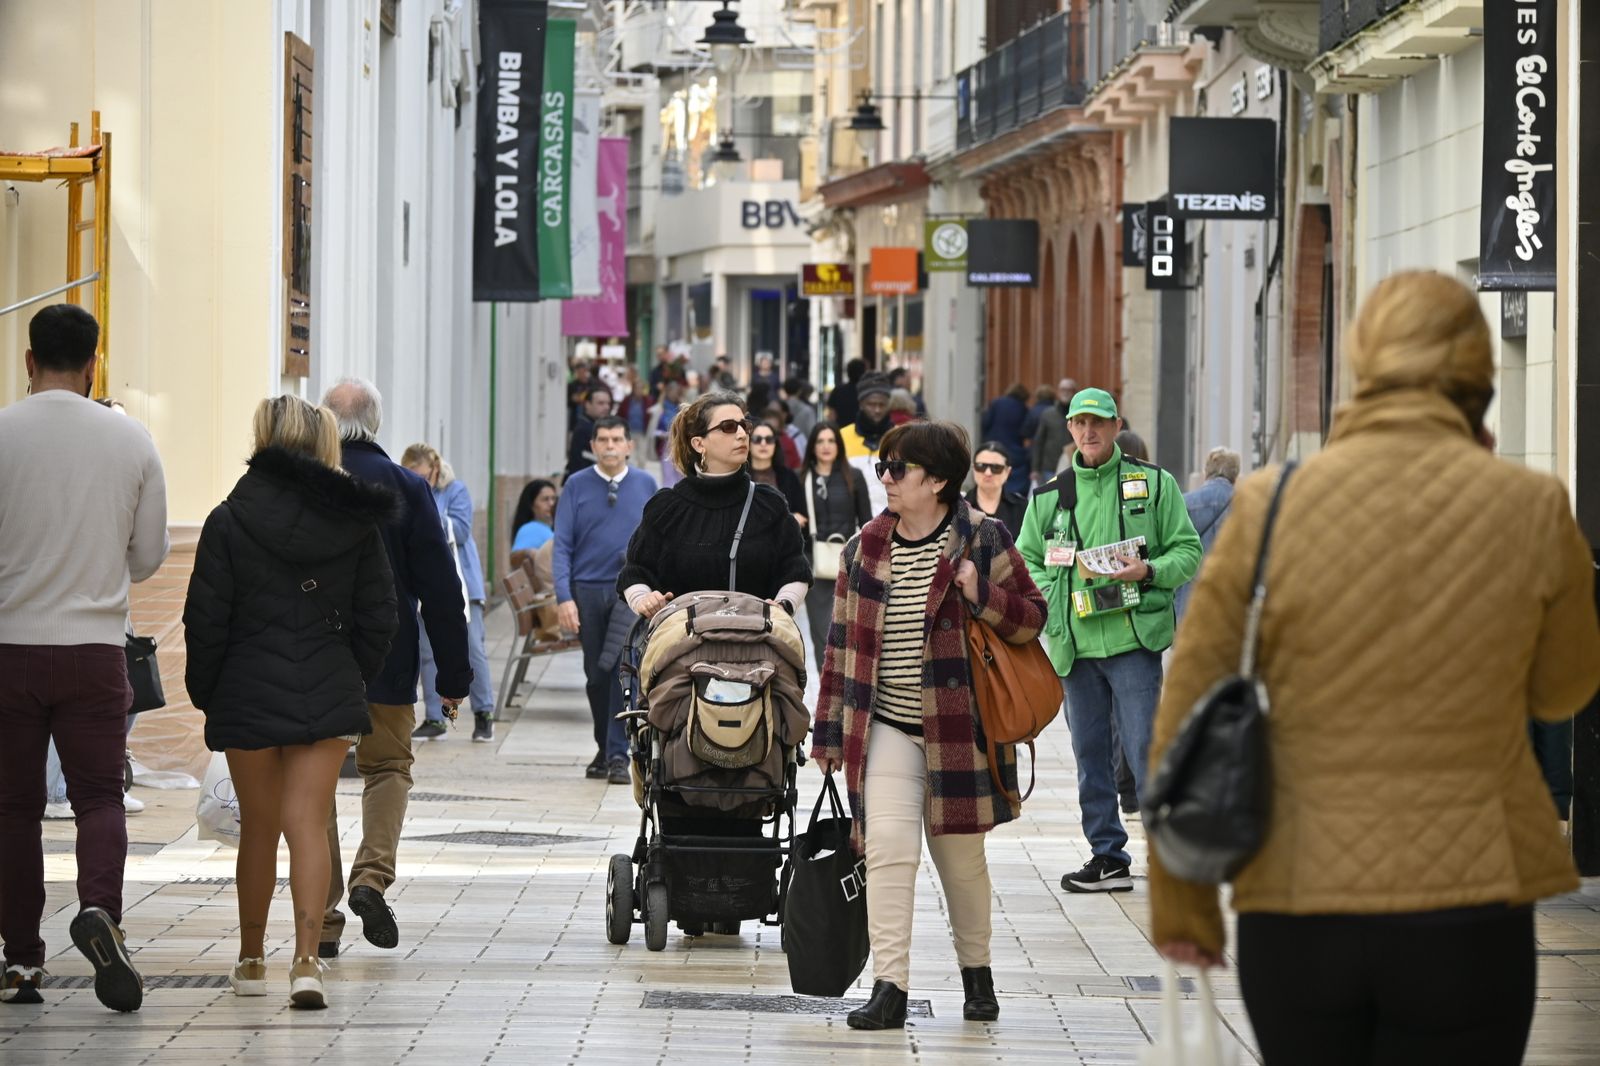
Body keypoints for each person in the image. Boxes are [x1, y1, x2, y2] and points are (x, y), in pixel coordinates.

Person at [1149, 272, 1600, 1066]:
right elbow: (1565, 689)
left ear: (1361, 362)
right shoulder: (1530, 504)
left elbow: (1186, 703)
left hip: (1297, 899)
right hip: (1471, 899)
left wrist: (1182, 901)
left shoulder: (1268, 504)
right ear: (1479, 373)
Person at [810, 421, 1047, 1030]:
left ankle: (978, 974)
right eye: (882, 468)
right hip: (884, 725)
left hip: (959, 731)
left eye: (898, 469)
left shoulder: (982, 541)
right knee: (888, 850)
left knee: (960, 862)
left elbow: (1031, 621)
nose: (884, 478)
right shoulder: (865, 547)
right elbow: (839, 647)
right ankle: (889, 985)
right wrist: (828, 733)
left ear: (938, 480)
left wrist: (980, 595)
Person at [184, 396, 398, 1008]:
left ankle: (252, 960)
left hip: (246, 689)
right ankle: (307, 963)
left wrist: (209, 693)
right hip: (327, 687)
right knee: (308, 822)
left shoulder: (229, 517)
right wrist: (351, 673)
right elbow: (380, 613)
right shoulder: (355, 521)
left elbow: (205, 618)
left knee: (259, 829)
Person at [0, 305, 169, 1012]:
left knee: (13, 808)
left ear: (29, 360)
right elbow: (149, 555)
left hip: (9, 647)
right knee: (99, 798)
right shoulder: (131, 440)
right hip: (96, 650)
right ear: (94, 363)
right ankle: (102, 913)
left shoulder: (2, 433)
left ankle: (20, 962)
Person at [1015, 387, 1202, 893]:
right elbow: (1024, 562)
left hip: (1134, 643)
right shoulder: (1050, 495)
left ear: (1118, 425)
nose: (1089, 432)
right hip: (1075, 647)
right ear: (1070, 428)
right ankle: (1108, 856)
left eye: (1099, 422)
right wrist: (1056, 591)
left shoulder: (1154, 484)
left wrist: (1148, 571)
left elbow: (1189, 551)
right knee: (1089, 755)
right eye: (1080, 423)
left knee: (1145, 750)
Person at [318, 378, 470, 958]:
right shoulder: (408, 485)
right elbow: (440, 588)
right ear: (376, 424)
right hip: (387, 657)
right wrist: (453, 680)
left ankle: (323, 918)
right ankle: (370, 877)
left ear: (326, 422)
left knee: (316, 784)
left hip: (315, 662)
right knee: (388, 768)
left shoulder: (306, 483)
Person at [618, 391, 811, 625]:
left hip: (755, 651)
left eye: (744, 425)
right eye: (728, 427)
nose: (741, 434)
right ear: (699, 443)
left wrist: (783, 605)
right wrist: (644, 599)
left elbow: (795, 568)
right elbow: (634, 572)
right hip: (682, 653)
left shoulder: (769, 505)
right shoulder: (667, 508)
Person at [553, 417, 658, 785]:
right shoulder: (576, 485)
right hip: (587, 589)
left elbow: (657, 539)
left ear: (629, 445)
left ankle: (617, 754)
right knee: (596, 675)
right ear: (594, 446)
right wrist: (563, 597)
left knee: (619, 669)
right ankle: (604, 747)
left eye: (617, 439)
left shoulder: (646, 484)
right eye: (603, 439)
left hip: (629, 591)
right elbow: (562, 544)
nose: (610, 445)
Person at [401, 446, 498, 743]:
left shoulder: (455, 491)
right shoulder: (407, 492)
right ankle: (437, 718)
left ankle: (484, 714)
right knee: (428, 653)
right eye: (411, 476)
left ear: (434, 469)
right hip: (424, 583)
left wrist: (423, 515)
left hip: (463, 584)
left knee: (472, 651)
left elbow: (462, 529)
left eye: (420, 476)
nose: (416, 481)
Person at [1174, 447, 1240, 623]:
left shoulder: (1183, 504)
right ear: (1235, 477)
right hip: (1229, 605)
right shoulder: (1246, 507)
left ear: (1206, 473)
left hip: (1189, 604)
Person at [838, 373, 895, 514]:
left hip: (893, 524)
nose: (877, 410)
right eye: (871, 404)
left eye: (882, 405)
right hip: (854, 526)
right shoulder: (841, 437)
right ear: (861, 403)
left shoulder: (901, 438)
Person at [964, 442, 1028, 538]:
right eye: (981, 466)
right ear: (973, 468)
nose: (988, 473)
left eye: (996, 468)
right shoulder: (960, 506)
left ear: (1008, 471)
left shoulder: (1021, 507)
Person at [748, 421, 807, 522]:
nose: (763, 444)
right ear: (748, 444)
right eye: (757, 439)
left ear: (775, 445)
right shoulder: (739, 477)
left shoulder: (788, 476)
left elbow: (802, 515)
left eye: (769, 439)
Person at [980, 383, 1033, 494]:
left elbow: (985, 423)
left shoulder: (996, 403)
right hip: (1013, 448)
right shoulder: (1023, 408)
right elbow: (1025, 431)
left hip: (993, 445)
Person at [1030, 378, 1077, 485]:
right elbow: (1039, 442)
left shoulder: (1079, 415)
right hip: (1049, 467)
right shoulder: (1048, 414)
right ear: (1058, 392)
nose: (1065, 392)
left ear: (1074, 392)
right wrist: (1035, 468)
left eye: (1069, 390)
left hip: (1072, 465)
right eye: (1062, 389)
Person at [567, 385, 614, 476]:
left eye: (608, 403)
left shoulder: (596, 427)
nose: (606, 407)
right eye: (601, 403)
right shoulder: (584, 429)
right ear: (588, 405)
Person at [649, 380, 685, 487]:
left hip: (681, 445)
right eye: (672, 391)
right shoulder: (660, 409)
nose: (674, 394)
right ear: (667, 392)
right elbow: (652, 430)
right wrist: (662, 434)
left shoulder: (682, 408)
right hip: (666, 446)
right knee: (668, 476)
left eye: (676, 391)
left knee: (681, 474)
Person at [509, 479, 559, 556]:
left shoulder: (550, 528)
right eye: (545, 499)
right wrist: (530, 553)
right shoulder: (531, 529)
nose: (551, 503)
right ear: (531, 505)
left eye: (553, 499)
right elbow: (515, 558)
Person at [762, 402, 804, 469]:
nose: (770, 434)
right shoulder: (755, 442)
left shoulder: (788, 443)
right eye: (766, 429)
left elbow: (796, 467)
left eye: (774, 432)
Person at [827, 357, 867, 425]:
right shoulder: (866, 392)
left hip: (842, 431)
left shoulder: (838, 391)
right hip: (863, 431)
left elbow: (832, 415)